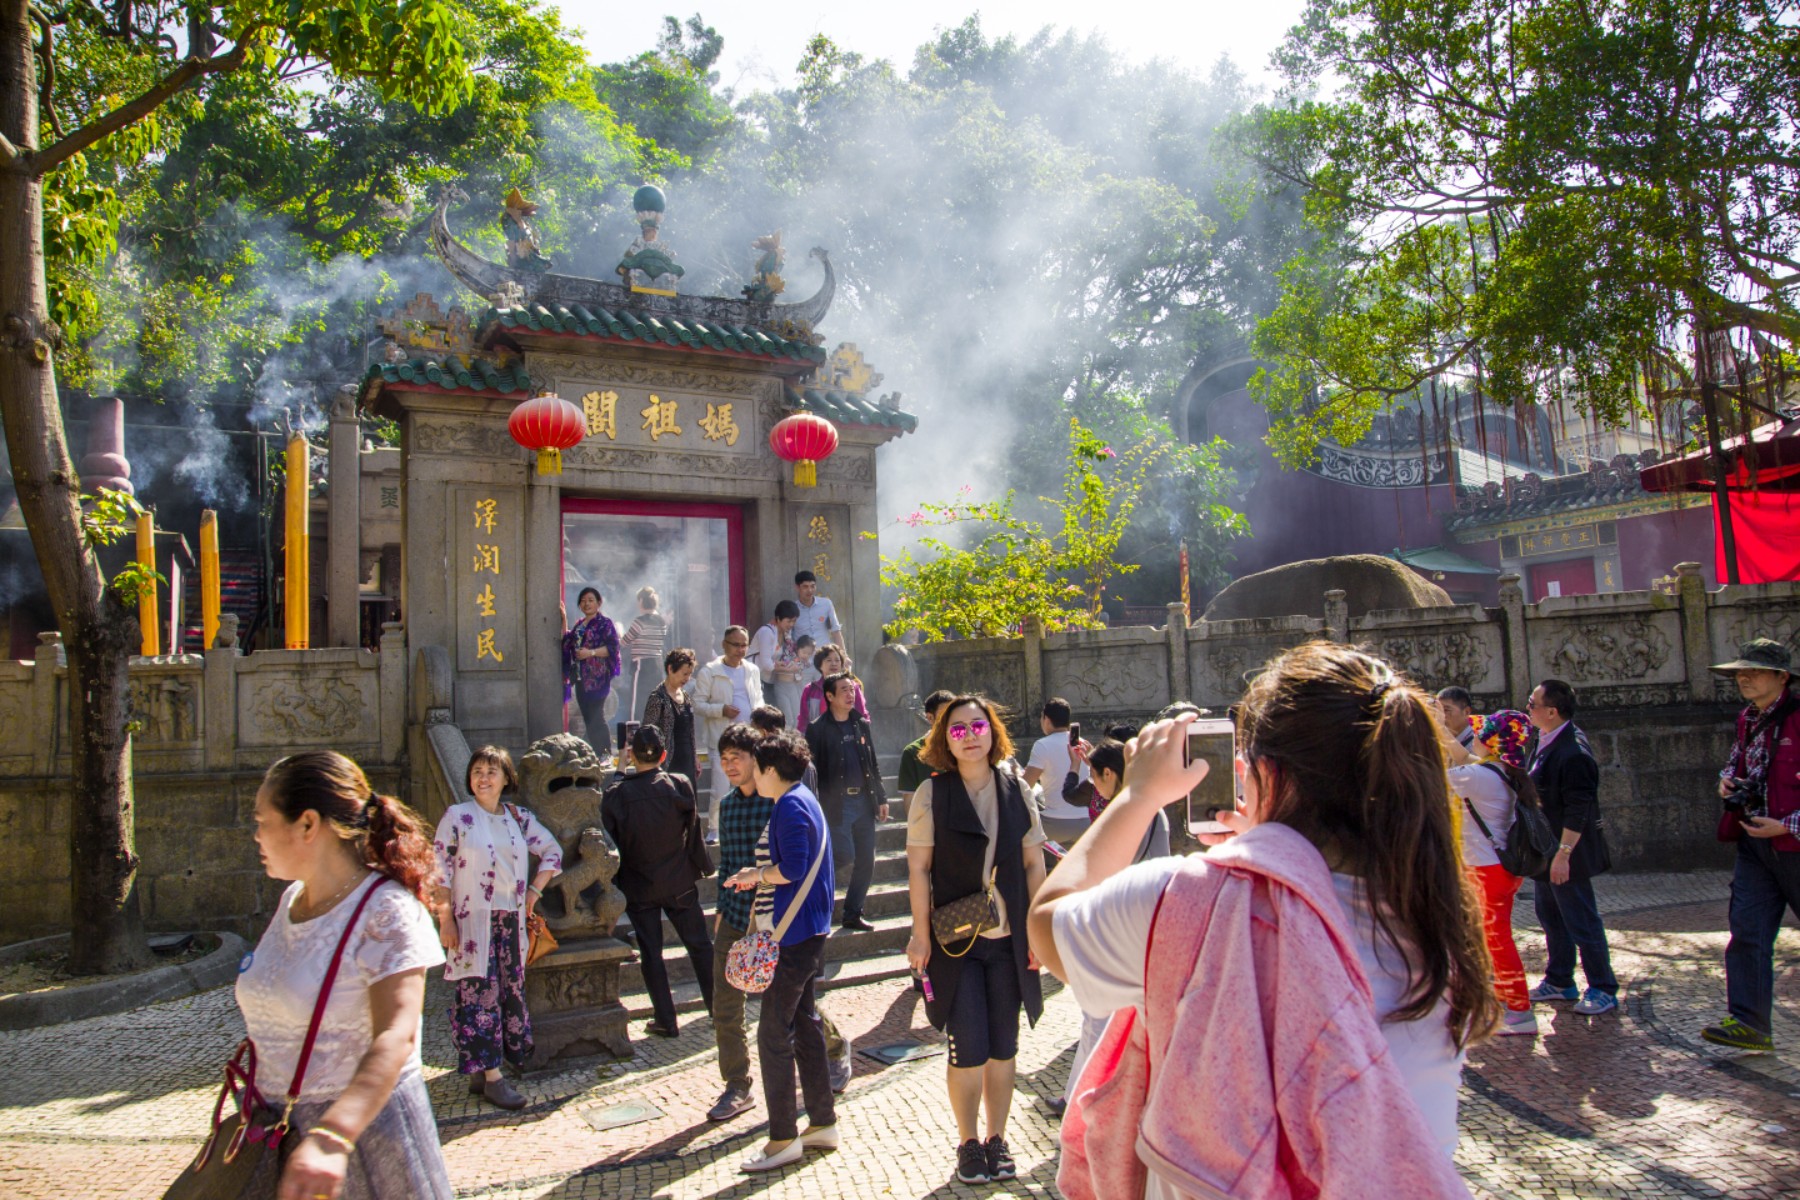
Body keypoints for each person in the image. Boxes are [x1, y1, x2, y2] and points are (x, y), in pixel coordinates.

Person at [1029, 643, 1496, 1199]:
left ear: (1266, 773)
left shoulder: (1193, 898)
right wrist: (1268, 839)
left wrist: (1136, 796)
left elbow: (1047, 922)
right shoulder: (1437, 914)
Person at [237, 751, 453, 1199]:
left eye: (262, 820)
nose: (255, 835)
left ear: (308, 824)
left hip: (363, 1143)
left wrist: (334, 1134)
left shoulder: (386, 910)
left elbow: (397, 1035)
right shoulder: (291, 900)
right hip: (277, 1133)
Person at [904, 695, 1048, 1185]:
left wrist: (1039, 931)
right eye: (958, 729)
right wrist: (919, 935)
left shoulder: (1016, 790)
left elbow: (1033, 863)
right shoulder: (932, 792)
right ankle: (968, 1142)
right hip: (955, 942)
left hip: (1009, 939)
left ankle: (997, 1138)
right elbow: (919, 869)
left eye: (977, 726)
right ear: (945, 738)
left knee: (1004, 1048)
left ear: (993, 731)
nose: (969, 736)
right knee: (967, 1046)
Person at [708, 724, 853, 1122]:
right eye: (725, 760)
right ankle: (808, 1115)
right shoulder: (748, 803)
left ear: (766, 766)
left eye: (743, 760)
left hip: (785, 926)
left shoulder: (786, 803)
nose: (736, 768)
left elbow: (793, 867)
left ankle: (785, 1131)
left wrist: (756, 877)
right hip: (765, 921)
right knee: (777, 1018)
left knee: (780, 1024)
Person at [432, 746, 564, 1109]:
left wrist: (534, 893)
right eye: (477, 771)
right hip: (472, 922)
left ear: (507, 778)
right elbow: (438, 869)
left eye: (492, 771)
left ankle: (481, 1068)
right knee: (479, 993)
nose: (483, 778)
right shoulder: (458, 817)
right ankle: (493, 1078)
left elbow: (552, 852)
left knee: (507, 993)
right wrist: (445, 918)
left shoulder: (519, 818)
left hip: (510, 920)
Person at [1702, 638, 1800, 1052]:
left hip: (1793, 843)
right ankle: (1749, 1022)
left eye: (1754, 670)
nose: (1743, 677)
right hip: (1755, 844)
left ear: (1782, 677)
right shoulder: (1748, 718)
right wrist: (1728, 779)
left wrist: (1787, 825)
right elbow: (1739, 761)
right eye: (1740, 670)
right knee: (1747, 931)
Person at [601, 725, 714, 1038]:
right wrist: (701, 865)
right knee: (700, 946)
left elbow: (609, 836)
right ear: (664, 755)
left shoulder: (617, 794)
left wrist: (620, 769)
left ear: (632, 755)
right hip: (679, 878)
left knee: (652, 953)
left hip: (640, 884)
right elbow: (694, 830)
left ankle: (666, 1019)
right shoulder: (678, 784)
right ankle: (719, 1010)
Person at [1525, 677, 1618, 1016]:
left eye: (1532, 704)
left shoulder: (1573, 751)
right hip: (1545, 849)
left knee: (1581, 919)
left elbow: (1579, 808)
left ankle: (1603, 987)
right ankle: (1560, 979)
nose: (1528, 709)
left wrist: (1564, 855)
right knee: (1550, 916)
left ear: (1551, 711)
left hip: (1566, 851)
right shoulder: (1543, 738)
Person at [1442, 710, 1538, 1036]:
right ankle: (1503, 1001)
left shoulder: (1478, 776)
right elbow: (1466, 757)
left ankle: (1520, 1011)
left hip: (1485, 872)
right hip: (1499, 870)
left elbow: (1430, 779)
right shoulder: (1505, 771)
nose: (1476, 737)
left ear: (1492, 742)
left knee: (1497, 942)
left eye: (1482, 733)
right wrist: (1442, 733)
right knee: (1492, 940)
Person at [806, 672, 889, 932]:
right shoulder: (817, 728)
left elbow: (872, 763)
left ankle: (853, 913)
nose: (850, 694)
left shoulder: (860, 724)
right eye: (844, 690)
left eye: (852, 689)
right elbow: (811, 770)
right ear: (829, 696)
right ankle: (811, 899)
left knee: (867, 860)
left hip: (864, 801)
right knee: (843, 854)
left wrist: (881, 797)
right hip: (835, 805)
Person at [692, 627, 764, 840]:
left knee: (752, 784)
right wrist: (721, 709)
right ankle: (715, 828)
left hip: (750, 738)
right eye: (736, 645)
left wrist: (759, 716)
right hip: (721, 738)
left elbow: (758, 697)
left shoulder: (752, 669)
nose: (740, 650)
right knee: (721, 788)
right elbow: (697, 704)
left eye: (744, 645)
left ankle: (749, 826)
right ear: (724, 645)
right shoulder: (710, 671)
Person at [1024, 698, 1092, 849]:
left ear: (1046, 719)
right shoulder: (1083, 743)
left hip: (1054, 825)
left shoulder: (1042, 745)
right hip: (1087, 823)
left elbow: (1026, 786)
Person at [562, 587, 621, 761]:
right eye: (583, 601)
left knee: (597, 715)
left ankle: (605, 752)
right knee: (588, 716)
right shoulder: (580, 625)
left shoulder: (605, 623)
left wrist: (591, 653)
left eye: (590, 600)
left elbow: (612, 648)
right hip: (581, 678)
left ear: (598, 603)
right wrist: (563, 618)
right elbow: (567, 641)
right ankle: (596, 752)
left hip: (598, 678)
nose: (586, 604)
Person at [642, 647, 699, 788]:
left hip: (688, 762)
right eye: (684, 674)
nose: (687, 679)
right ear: (670, 669)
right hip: (668, 763)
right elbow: (648, 733)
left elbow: (690, 730)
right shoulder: (658, 698)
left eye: (690, 674)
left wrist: (695, 757)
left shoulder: (685, 696)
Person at [897, 690, 956, 807]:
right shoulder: (912, 752)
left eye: (953, 713)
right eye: (944, 715)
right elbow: (911, 804)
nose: (951, 719)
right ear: (930, 718)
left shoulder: (964, 746)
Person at [750, 601, 806, 723]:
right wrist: (787, 669)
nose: (791, 624)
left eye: (794, 621)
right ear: (778, 618)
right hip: (756, 679)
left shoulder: (786, 633)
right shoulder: (767, 632)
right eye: (788, 621)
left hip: (770, 680)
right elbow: (766, 664)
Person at [620, 587, 670, 719]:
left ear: (641, 601)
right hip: (658, 665)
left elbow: (625, 641)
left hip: (642, 665)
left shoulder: (639, 622)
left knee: (637, 702)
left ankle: (634, 733)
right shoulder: (662, 621)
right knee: (656, 700)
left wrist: (619, 633)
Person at [797, 645, 867, 733]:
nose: (834, 663)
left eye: (837, 660)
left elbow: (862, 714)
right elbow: (803, 720)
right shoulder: (810, 690)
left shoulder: (853, 687)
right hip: (818, 740)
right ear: (819, 665)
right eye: (828, 660)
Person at [792, 569, 844, 671]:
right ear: (797, 587)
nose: (810, 590)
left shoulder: (826, 604)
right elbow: (788, 637)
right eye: (805, 587)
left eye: (812, 586)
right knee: (805, 687)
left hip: (824, 660)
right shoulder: (793, 608)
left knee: (827, 686)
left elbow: (836, 631)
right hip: (802, 663)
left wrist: (843, 656)